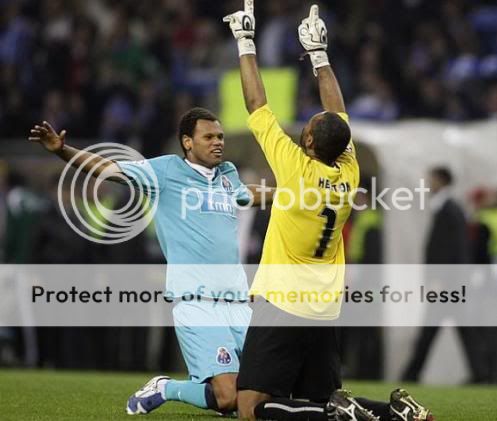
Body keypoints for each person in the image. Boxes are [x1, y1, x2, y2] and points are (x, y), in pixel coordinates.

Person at [224, 2, 433, 420]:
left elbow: (256, 105)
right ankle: (399, 414)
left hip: (283, 300)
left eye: (307, 127)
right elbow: (339, 113)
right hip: (324, 304)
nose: (304, 126)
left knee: (249, 407)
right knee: (318, 398)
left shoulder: (296, 168)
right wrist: (320, 56)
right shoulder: (348, 170)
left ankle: (340, 414)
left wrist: (245, 41)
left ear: (310, 143)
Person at [28, 108, 273, 415]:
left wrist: (292, 195)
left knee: (259, 394)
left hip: (238, 301)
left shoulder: (228, 174)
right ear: (187, 142)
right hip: (197, 301)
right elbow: (109, 169)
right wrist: (63, 151)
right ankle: (166, 387)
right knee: (228, 398)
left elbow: (245, 195)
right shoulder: (165, 171)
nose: (217, 142)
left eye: (220, 136)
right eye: (208, 137)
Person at [402, 167, 480, 383]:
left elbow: (451, 249)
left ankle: (411, 374)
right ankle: (480, 374)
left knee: (431, 332)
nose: (428, 183)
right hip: (451, 283)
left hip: (447, 285)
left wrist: (439, 280)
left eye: (431, 179)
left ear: (441, 181)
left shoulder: (449, 210)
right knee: (461, 332)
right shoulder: (447, 208)